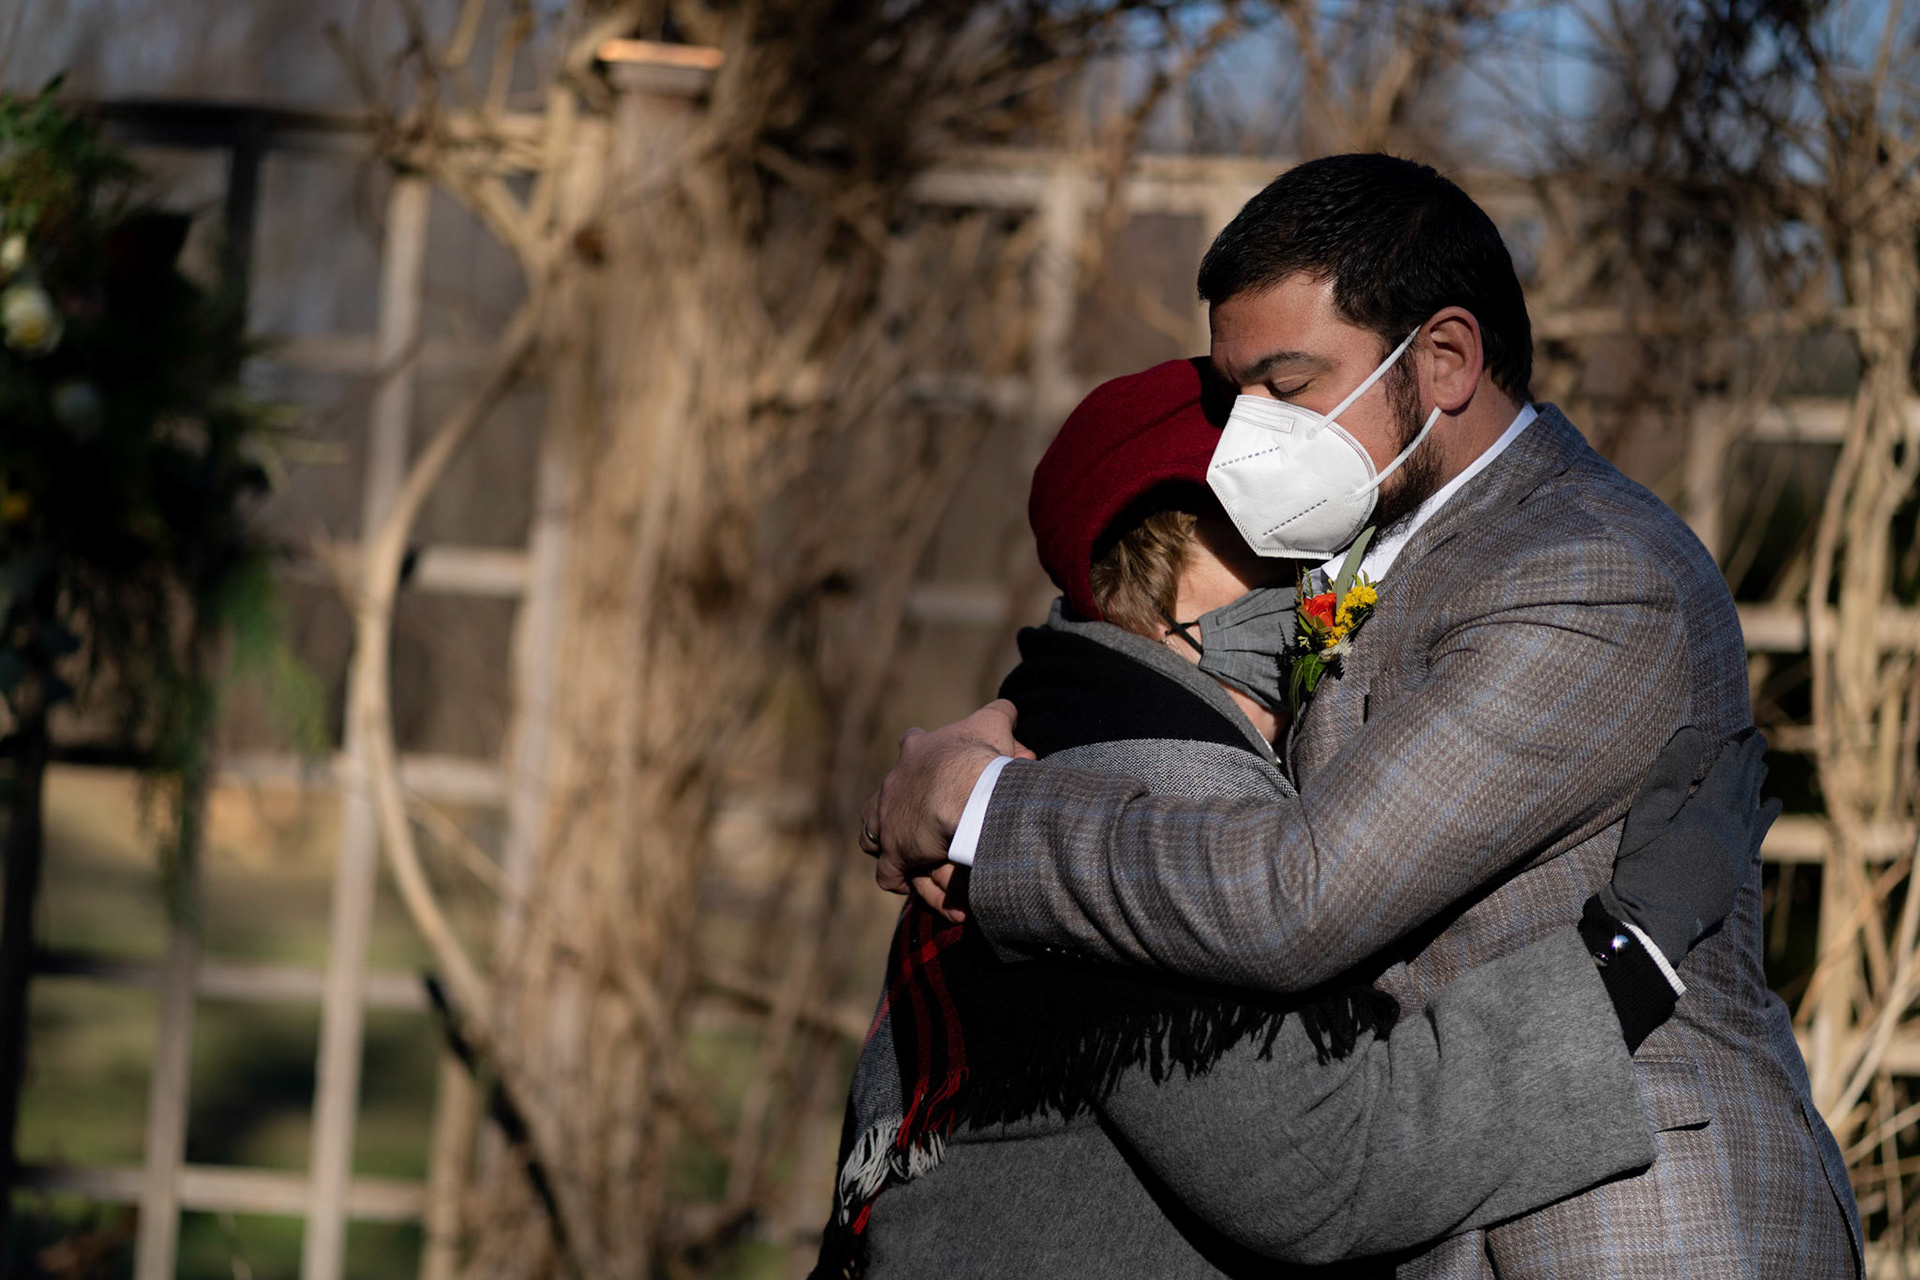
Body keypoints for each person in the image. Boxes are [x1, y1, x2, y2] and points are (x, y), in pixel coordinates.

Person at [864, 155, 1862, 1278]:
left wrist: (981, 808)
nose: (1252, 437)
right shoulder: (1384, 542)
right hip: (1463, 1199)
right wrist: (1034, 707)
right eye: (1238, 395)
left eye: (1287, 386)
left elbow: (1297, 895)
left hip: (1636, 1225)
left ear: (1445, 359)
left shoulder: (1586, 567)